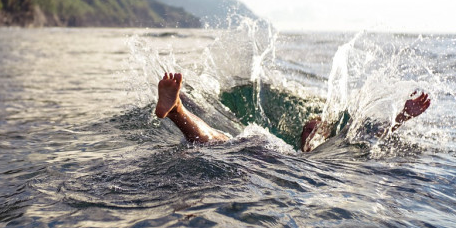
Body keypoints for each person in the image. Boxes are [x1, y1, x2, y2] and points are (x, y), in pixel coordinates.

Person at [155, 72, 431, 151]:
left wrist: (402, 116)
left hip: (271, 163)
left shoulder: (336, 146)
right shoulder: (291, 150)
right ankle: (177, 109)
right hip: (265, 150)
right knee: (222, 141)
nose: (308, 129)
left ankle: (178, 109)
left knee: (221, 143)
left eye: (314, 128)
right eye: (306, 128)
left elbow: (369, 134)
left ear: (323, 136)